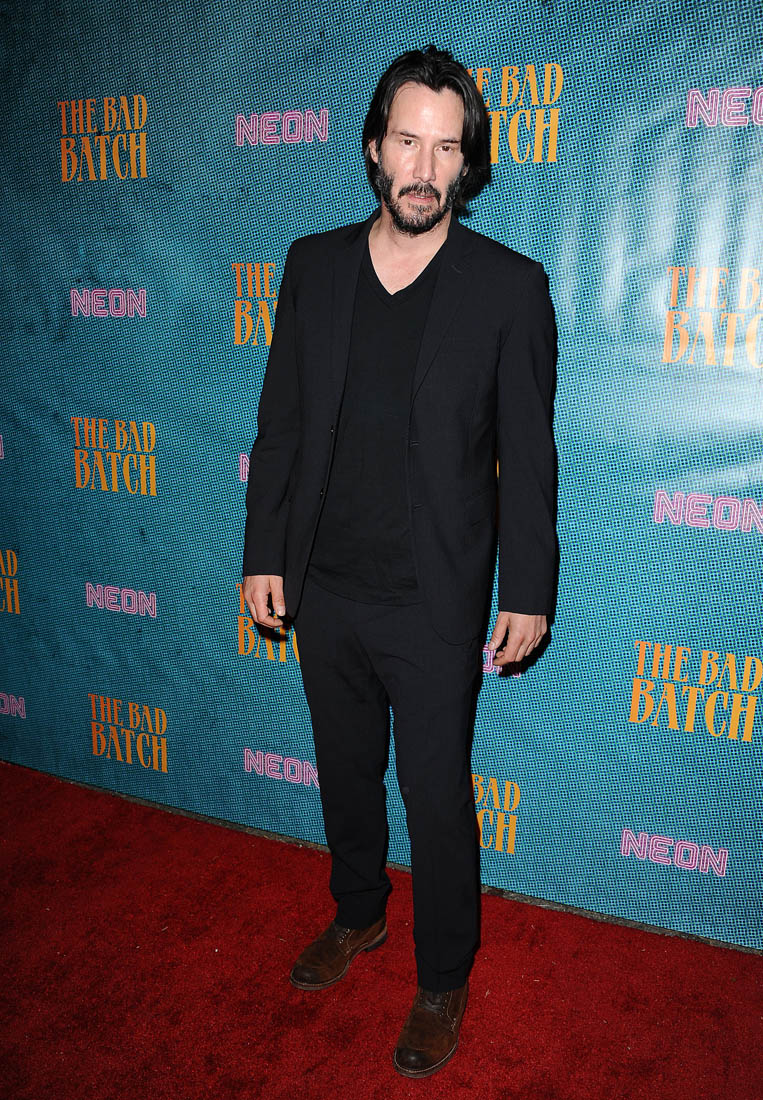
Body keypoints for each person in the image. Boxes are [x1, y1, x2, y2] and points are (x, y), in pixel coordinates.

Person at [242, 45, 558, 1078]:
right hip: (324, 584)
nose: (424, 169)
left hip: (433, 595)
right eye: (408, 142)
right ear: (375, 148)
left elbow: (530, 455)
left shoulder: (510, 288)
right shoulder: (313, 265)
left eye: (446, 148)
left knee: (433, 793)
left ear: (468, 163)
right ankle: (357, 912)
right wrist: (263, 550)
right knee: (344, 771)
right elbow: (281, 422)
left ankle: (442, 975)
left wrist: (528, 588)